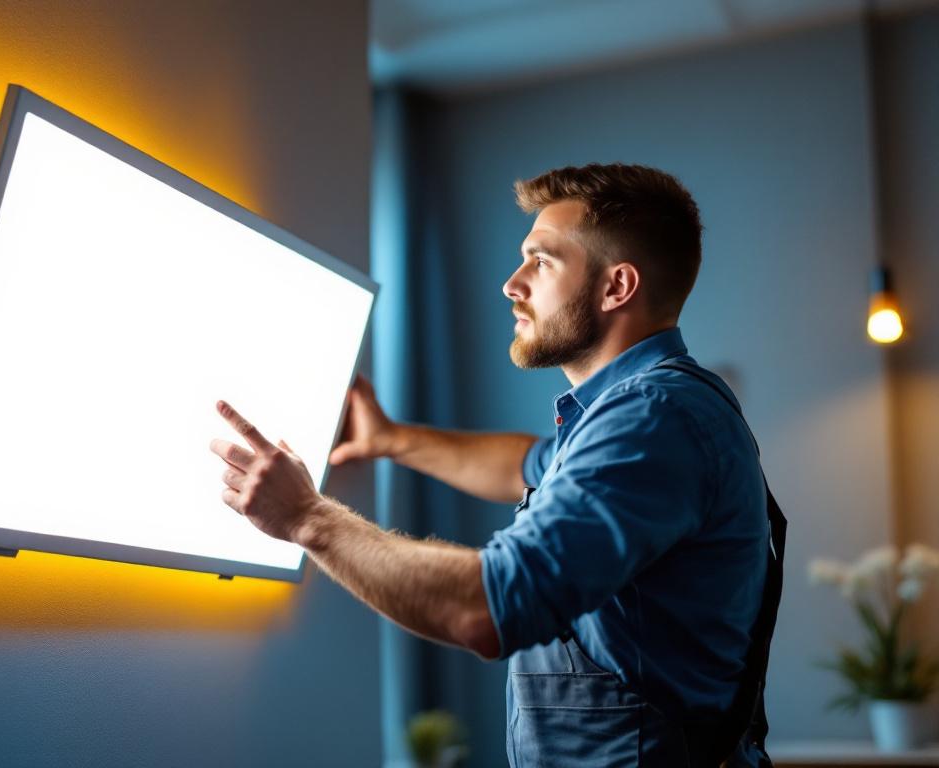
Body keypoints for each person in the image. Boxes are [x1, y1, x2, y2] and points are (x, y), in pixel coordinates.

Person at [209, 163, 783, 768]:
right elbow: (523, 464)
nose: (512, 284)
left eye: (542, 261)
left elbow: (486, 609)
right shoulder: (641, 409)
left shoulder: (651, 418)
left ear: (617, 288)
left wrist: (305, 518)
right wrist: (393, 439)